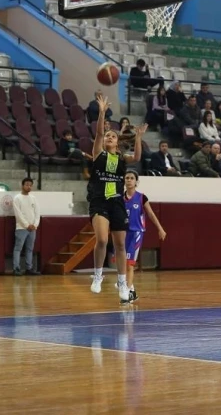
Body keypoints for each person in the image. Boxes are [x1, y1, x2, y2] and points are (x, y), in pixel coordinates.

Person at [87, 93, 146, 302]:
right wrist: (102, 112)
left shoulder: (121, 159)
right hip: (99, 201)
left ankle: (122, 283)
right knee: (102, 239)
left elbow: (138, 157)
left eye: (113, 136)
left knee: (120, 245)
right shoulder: (99, 154)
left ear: (118, 141)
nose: (109, 137)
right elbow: (98, 133)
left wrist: (138, 137)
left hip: (117, 202)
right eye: (108, 136)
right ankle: (97, 276)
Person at [121, 171, 166, 303]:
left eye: (132, 178)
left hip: (136, 233)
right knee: (123, 265)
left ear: (136, 182)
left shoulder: (142, 197)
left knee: (129, 265)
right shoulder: (119, 198)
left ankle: (127, 293)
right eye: (127, 178)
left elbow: (151, 214)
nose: (129, 180)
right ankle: (132, 291)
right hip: (123, 234)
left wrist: (160, 228)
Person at [12, 178, 41, 276]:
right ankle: (16, 268)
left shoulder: (33, 198)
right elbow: (18, 214)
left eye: (30, 185)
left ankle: (29, 268)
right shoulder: (17, 198)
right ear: (22, 185)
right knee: (18, 248)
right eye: (27, 185)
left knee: (30, 249)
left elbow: (37, 213)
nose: (29, 187)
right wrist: (27, 225)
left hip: (32, 229)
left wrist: (35, 225)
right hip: (21, 228)